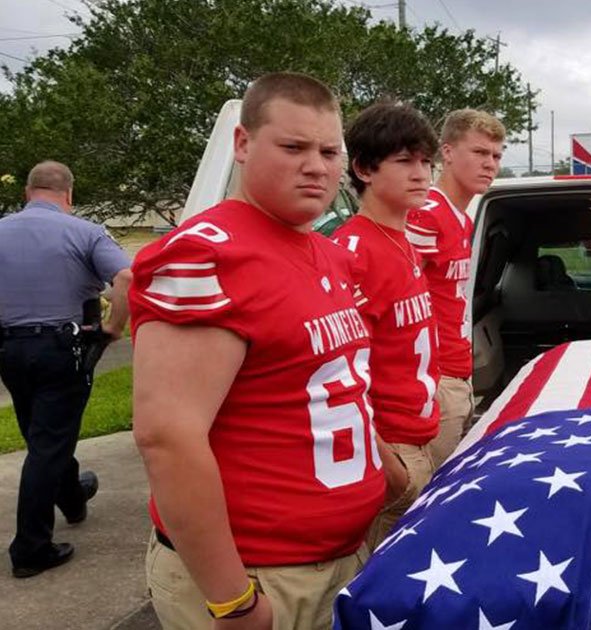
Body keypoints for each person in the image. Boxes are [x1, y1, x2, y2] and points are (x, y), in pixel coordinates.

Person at [130, 73, 402, 629]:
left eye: (329, 151)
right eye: (293, 147)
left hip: (339, 556)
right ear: (243, 144)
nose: (317, 166)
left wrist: (389, 471)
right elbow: (167, 436)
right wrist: (233, 600)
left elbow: (327, 383)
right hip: (262, 575)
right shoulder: (207, 256)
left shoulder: (326, 252)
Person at [0, 160, 131, 578]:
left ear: (27, 192)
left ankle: (73, 495)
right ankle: (31, 547)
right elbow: (127, 277)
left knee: (43, 432)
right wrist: (113, 328)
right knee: (49, 442)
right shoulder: (85, 232)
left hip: (9, 349)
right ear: (69, 195)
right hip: (61, 346)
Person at [333, 101, 441, 551]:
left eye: (425, 161)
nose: (421, 174)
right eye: (404, 161)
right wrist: (387, 463)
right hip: (390, 447)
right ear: (364, 168)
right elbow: (339, 375)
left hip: (419, 437)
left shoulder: (402, 237)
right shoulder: (353, 250)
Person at [406, 108, 505, 467]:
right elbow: (399, 301)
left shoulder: (460, 218)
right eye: (479, 153)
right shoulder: (426, 214)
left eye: (496, 155)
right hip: (434, 378)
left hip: (457, 371)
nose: (490, 164)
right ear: (447, 153)